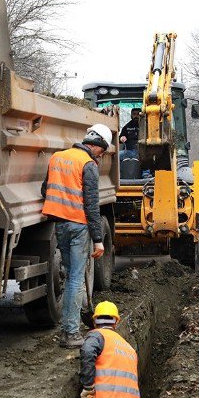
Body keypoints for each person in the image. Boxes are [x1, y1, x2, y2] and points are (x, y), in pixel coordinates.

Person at [41, 124, 112, 349]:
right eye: (103, 150)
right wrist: (98, 240)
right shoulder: (88, 164)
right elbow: (92, 205)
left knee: (71, 274)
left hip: (59, 225)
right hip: (79, 226)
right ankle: (71, 333)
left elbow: (46, 190)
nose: (101, 155)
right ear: (97, 144)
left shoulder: (57, 158)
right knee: (74, 278)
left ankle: (73, 321)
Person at [79, 301, 139, 398]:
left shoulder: (98, 335)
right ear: (116, 322)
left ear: (94, 322)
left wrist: (88, 387)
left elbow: (88, 352)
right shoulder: (128, 347)